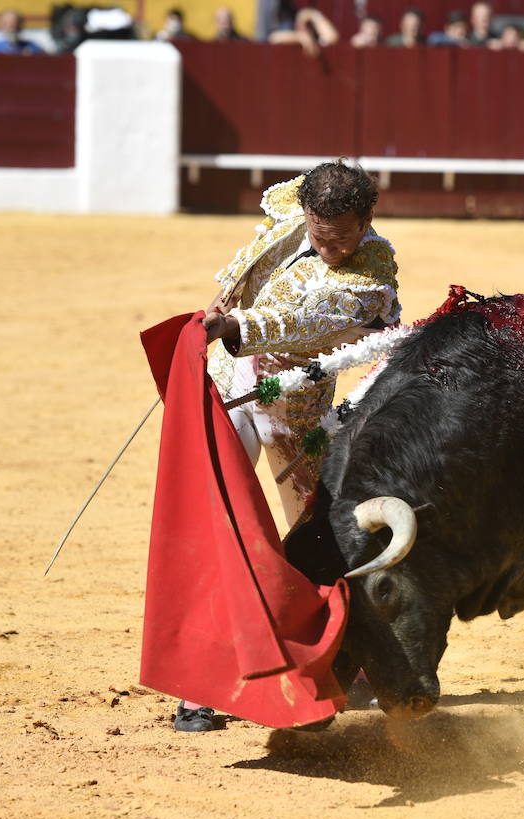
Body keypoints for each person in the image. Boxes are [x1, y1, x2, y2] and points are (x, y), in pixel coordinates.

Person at [178, 161, 399, 732]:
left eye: (343, 238)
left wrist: (236, 328)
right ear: (306, 215)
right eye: (320, 237)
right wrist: (220, 309)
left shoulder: (374, 267)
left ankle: (345, 664)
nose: (331, 250)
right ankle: (203, 684)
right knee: (219, 526)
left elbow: (311, 319)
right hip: (233, 392)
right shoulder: (285, 220)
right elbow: (243, 269)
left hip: (299, 415)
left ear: (366, 219)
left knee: (322, 535)